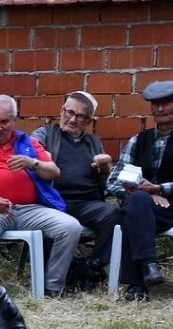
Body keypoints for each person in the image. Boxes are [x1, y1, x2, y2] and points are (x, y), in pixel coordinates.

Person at [0, 94, 82, 298]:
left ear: (14, 121)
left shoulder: (28, 143)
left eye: (4, 122)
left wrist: (32, 163)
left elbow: (54, 171)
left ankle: (52, 288)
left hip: (31, 209)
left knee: (70, 227)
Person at [31, 91, 117, 279]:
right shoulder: (45, 134)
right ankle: (57, 272)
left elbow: (107, 180)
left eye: (79, 116)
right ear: (62, 110)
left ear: (88, 120)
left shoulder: (93, 142)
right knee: (47, 221)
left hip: (87, 203)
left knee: (112, 214)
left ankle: (93, 266)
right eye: (69, 112)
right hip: (54, 202)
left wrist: (105, 166)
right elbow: (30, 152)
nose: (72, 119)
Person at [105, 80, 173, 301]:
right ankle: (149, 266)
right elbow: (113, 182)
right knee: (136, 204)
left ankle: (136, 283)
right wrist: (145, 193)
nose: (160, 109)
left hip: (170, 209)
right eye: (156, 104)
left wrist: (160, 189)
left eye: (166, 103)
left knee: (129, 213)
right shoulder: (138, 140)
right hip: (143, 207)